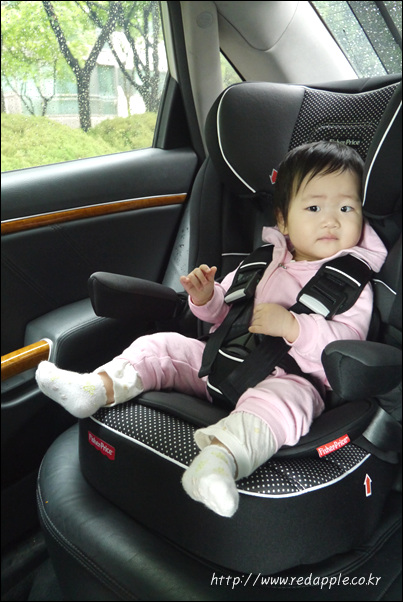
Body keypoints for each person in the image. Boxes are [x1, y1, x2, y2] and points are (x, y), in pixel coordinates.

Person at [35, 141, 387, 517]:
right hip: (218, 362)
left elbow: (345, 347)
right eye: (314, 208)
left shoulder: (351, 283)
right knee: (161, 345)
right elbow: (222, 315)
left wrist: (295, 327)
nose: (331, 220)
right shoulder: (261, 260)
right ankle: (95, 388)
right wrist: (206, 298)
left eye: (346, 208)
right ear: (283, 220)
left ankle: (218, 463)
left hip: (292, 379)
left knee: (283, 404)